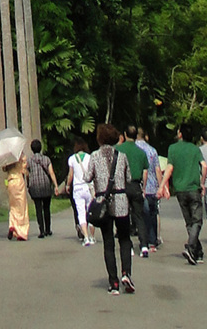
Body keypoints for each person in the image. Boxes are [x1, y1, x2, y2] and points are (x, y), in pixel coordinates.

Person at [87, 123, 134, 295]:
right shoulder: (121, 156)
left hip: (103, 202)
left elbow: (87, 177)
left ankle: (113, 282)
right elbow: (128, 177)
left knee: (108, 243)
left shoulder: (94, 156)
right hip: (121, 200)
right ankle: (126, 273)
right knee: (124, 239)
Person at [158, 123, 205, 264]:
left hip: (180, 190)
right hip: (193, 188)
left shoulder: (173, 148)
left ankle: (197, 251)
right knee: (197, 221)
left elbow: (169, 168)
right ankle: (191, 247)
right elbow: (204, 166)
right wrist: (202, 182)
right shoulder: (195, 149)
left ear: (180, 134)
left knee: (189, 221)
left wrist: (162, 186)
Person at [119, 126, 151, 257]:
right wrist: (143, 188)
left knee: (124, 217)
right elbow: (145, 172)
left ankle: (129, 246)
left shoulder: (119, 150)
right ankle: (144, 246)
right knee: (139, 217)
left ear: (125, 134)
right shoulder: (141, 152)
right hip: (136, 185)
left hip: (123, 186)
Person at [135, 126, 161, 249]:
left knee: (141, 216)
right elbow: (157, 170)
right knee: (153, 214)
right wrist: (161, 186)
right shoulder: (152, 150)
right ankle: (153, 241)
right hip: (152, 187)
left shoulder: (134, 149)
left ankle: (144, 240)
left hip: (139, 187)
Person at [66, 136, 94, 243]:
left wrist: (68, 185)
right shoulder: (89, 157)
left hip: (78, 188)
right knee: (90, 212)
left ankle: (85, 237)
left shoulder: (72, 159)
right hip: (88, 187)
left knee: (81, 213)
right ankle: (92, 236)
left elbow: (71, 175)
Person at [26, 138, 55, 238]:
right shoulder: (46, 159)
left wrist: (28, 184)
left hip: (35, 186)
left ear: (32, 149)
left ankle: (41, 230)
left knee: (38, 209)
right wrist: (55, 184)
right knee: (46, 208)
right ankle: (48, 229)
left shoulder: (29, 160)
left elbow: (27, 174)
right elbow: (51, 172)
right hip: (45, 185)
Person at [4, 150, 30, 240]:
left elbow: (4, 169)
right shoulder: (21, 156)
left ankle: (12, 224)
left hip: (10, 181)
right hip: (19, 181)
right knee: (21, 206)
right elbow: (24, 169)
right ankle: (21, 232)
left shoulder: (7, 158)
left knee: (13, 206)